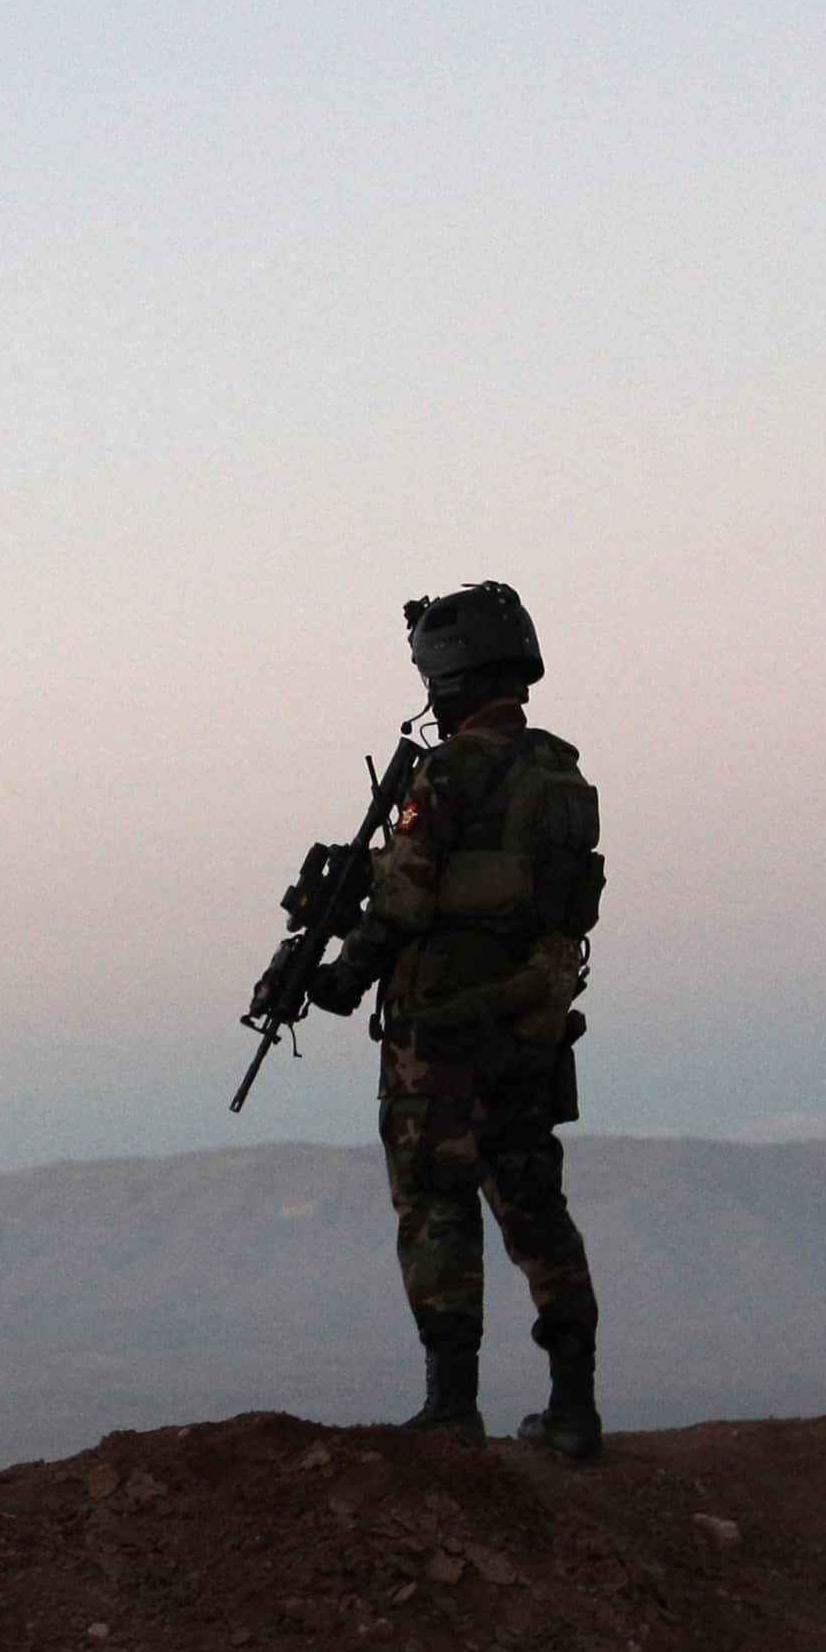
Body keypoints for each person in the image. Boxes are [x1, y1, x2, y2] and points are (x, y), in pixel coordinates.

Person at [307, 582, 605, 1459]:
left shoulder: (444, 775)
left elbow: (404, 899)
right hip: (531, 1025)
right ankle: (575, 1408)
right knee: (535, 1202)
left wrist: (342, 976)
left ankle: (452, 1405)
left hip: (439, 1034)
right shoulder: (564, 772)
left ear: (450, 676)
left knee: (438, 1204)